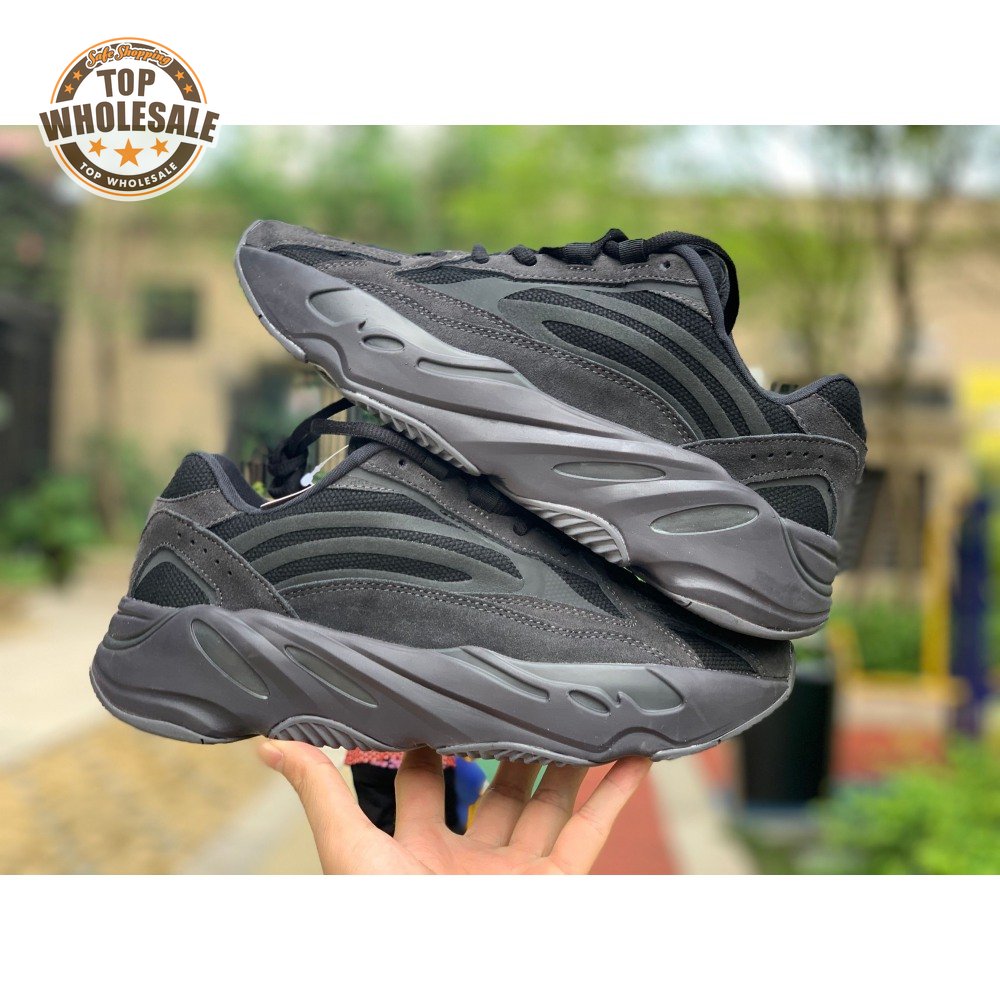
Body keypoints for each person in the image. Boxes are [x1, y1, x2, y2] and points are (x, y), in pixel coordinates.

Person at [259, 740, 651, 875]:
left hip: (378, 759)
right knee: (434, 820)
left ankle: (415, 847)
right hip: (415, 759)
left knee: (391, 824)